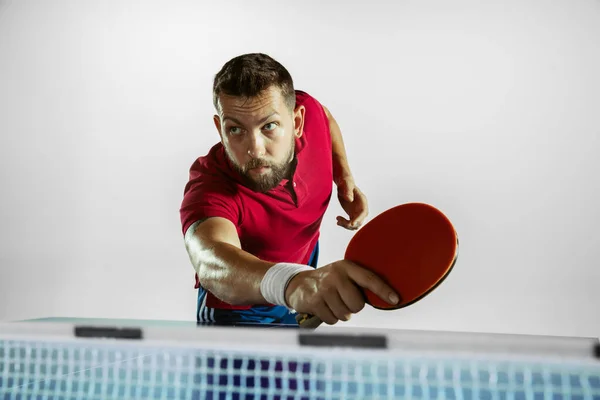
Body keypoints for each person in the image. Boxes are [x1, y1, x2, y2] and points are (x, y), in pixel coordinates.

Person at [180, 53, 399, 326]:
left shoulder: (312, 117)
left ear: (297, 122)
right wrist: (292, 284)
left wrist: (344, 179)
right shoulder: (210, 186)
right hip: (240, 314)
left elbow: (325, 117)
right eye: (235, 129)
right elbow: (212, 263)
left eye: (269, 126)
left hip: (303, 278)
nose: (254, 149)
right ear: (219, 128)